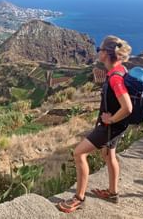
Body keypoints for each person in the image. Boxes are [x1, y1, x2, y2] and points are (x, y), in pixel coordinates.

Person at [58, 35, 133, 213]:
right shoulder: (121, 69)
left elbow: (127, 107)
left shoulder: (115, 77)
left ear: (107, 53)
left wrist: (111, 119)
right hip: (118, 126)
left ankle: (79, 198)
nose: (97, 52)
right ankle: (113, 193)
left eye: (99, 50)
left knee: (78, 153)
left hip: (111, 126)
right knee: (109, 156)